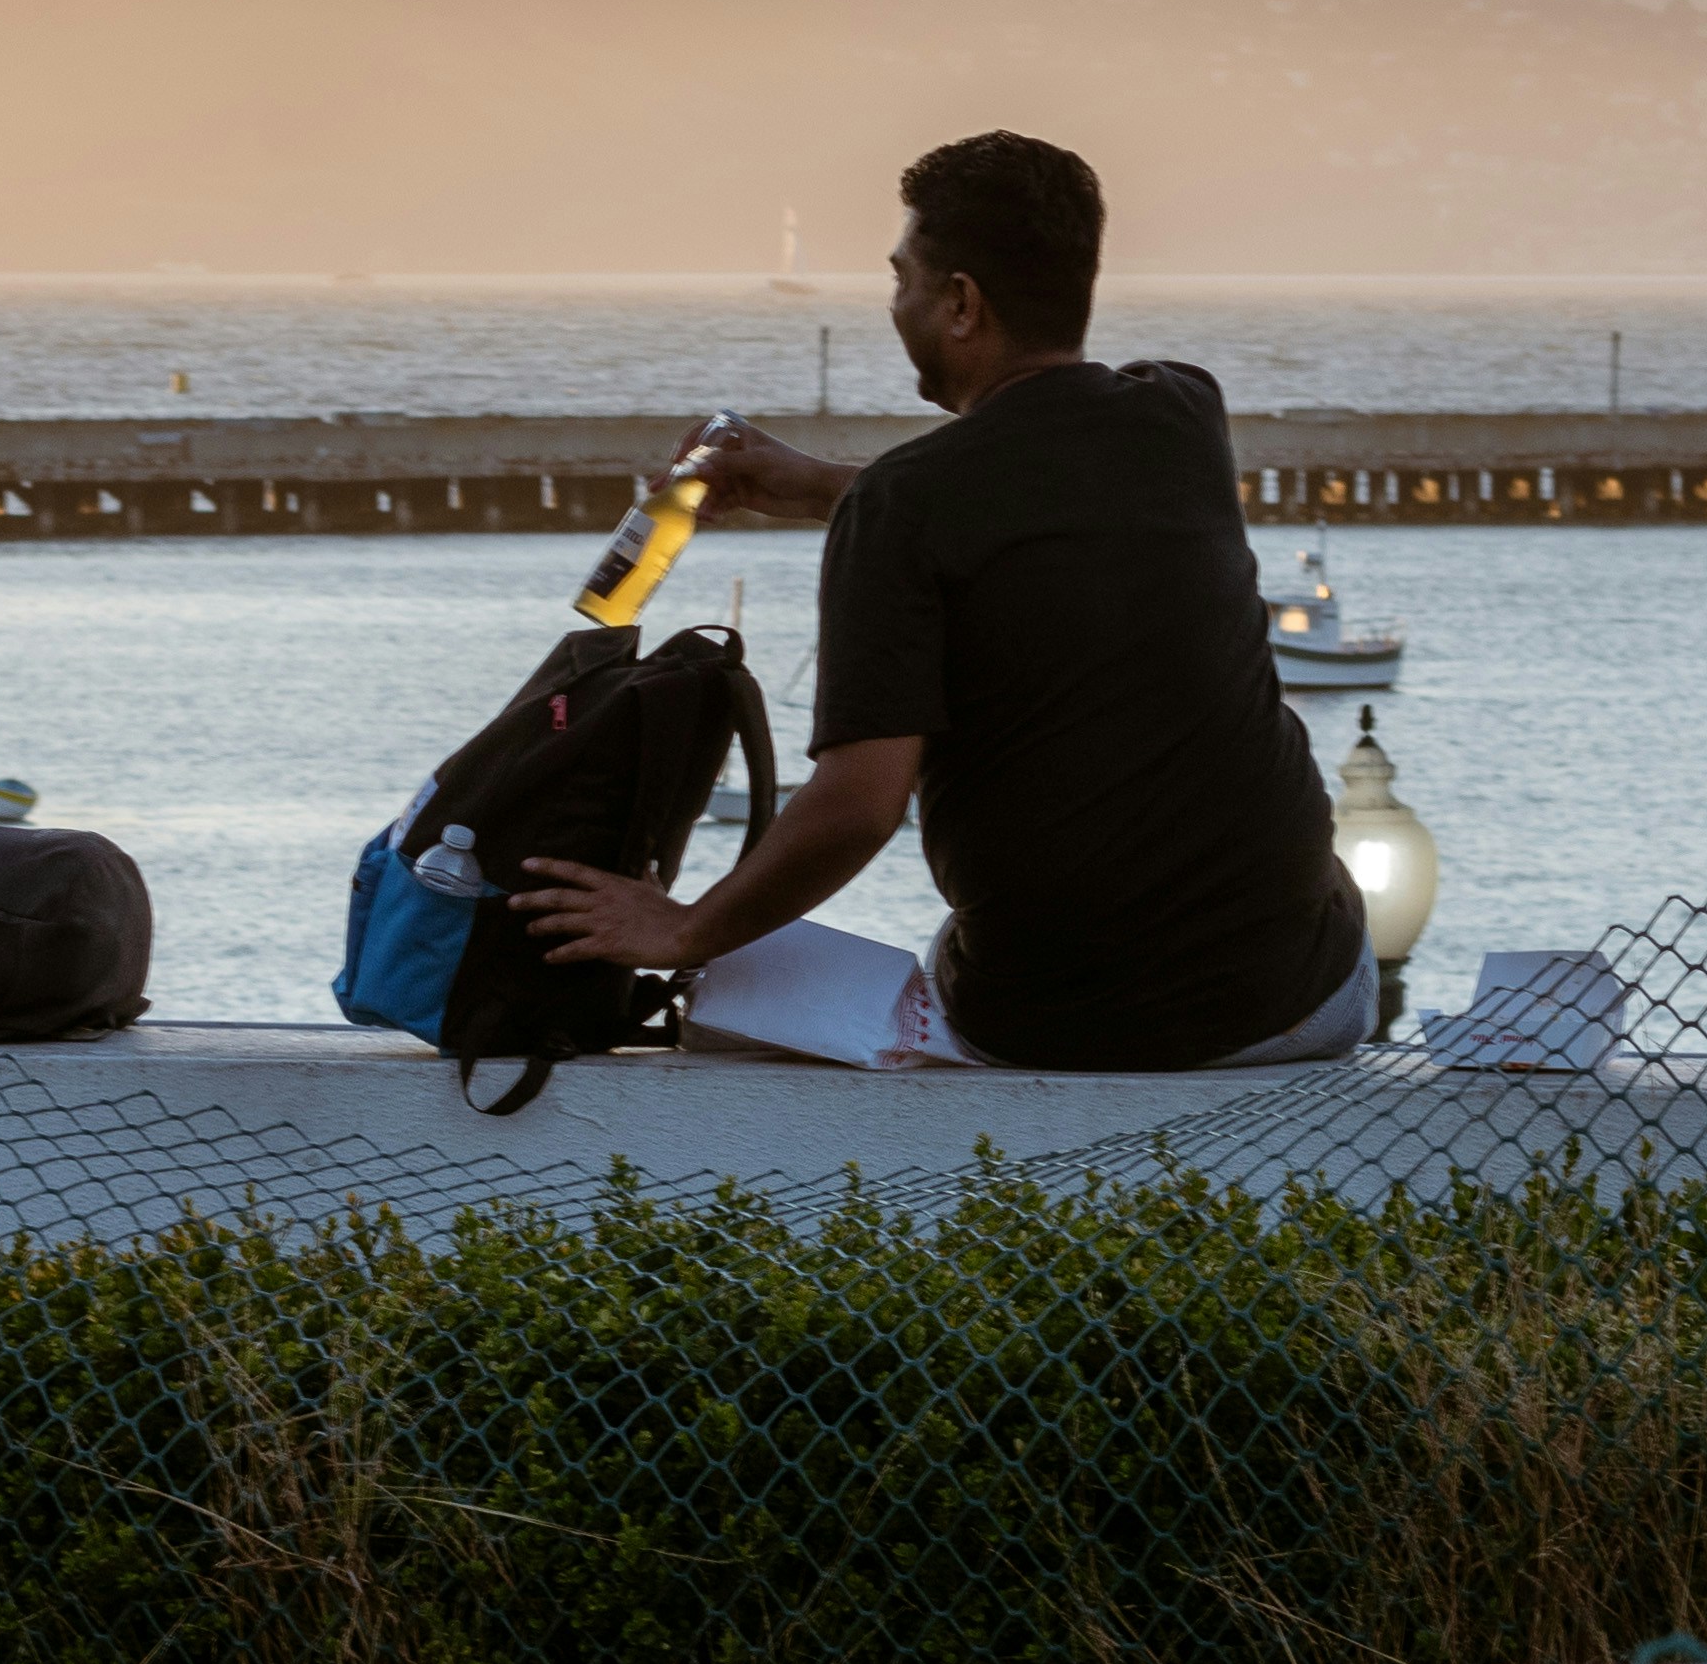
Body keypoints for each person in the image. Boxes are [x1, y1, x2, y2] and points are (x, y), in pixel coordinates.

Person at [508, 131, 1369, 1069]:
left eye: (902, 279)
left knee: (727, 1007)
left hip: (1069, 1025)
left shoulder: (904, 507)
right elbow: (1021, 493)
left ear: (960, 303)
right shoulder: (1180, 414)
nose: (896, 305)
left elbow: (857, 808)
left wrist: (685, 931)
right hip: (1313, 993)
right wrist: (815, 483)